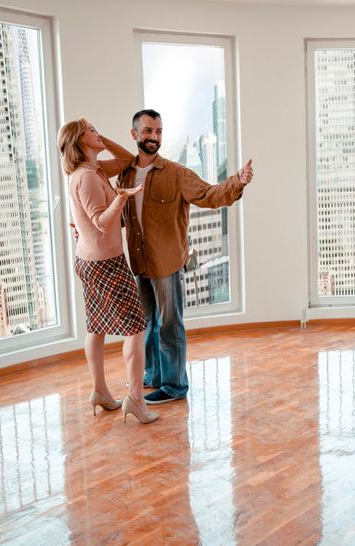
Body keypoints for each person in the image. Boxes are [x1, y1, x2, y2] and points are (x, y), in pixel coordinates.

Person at [117, 109, 255, 405]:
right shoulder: (125, 174)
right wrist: (91, 226)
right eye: (148, 131)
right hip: (140, 262)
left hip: (167, 263)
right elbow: (123, 217)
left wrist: (237, 182)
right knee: (147, 323)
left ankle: (175, 384)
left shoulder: (176, 174)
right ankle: (153, 375)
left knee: (169, 324)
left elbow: (210, 195)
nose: (154, 137)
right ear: (134, 134)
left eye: (158, 131)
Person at [58, 118, 158, 424]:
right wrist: (122, 198)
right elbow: (101, 222)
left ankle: (100, 391)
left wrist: (101, 141)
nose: (96, 131)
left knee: (96, 326)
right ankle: (137, 401)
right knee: (136, 328)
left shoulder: (95, 169)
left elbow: (129, 159)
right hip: (104, 263)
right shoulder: (85, 178)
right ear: (79, 140)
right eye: (90, 129)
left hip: (93, 261)